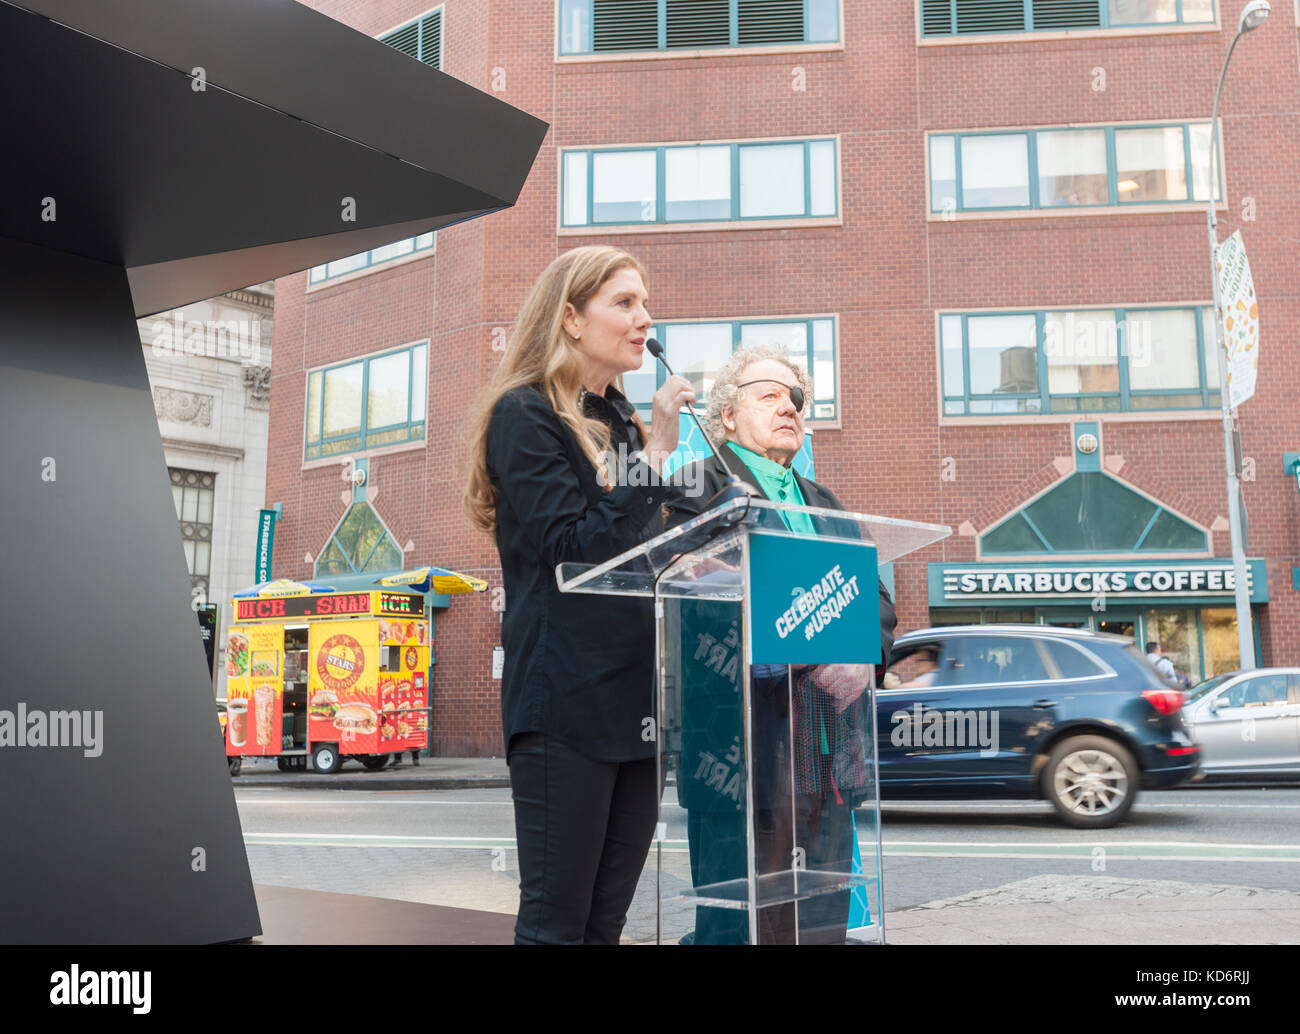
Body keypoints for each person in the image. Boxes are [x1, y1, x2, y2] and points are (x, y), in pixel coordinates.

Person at [463, 245, 694, 945]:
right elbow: (574, 546)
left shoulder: (620, 421)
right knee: (557, 925)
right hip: (563, 703)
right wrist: (655, 457)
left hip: (634, 706)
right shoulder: (524, 416)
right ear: (569, 317)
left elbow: (645, 538)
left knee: (604, 925)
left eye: (645, 304)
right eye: (624, 303)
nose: (643, 320)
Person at [664, 345, 898, 944]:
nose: (788, 407)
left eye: (795, 398)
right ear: (726, 418)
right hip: (741, 756)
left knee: (821, 928)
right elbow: (694, 593)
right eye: (768, 395)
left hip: (829, 755)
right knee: (740, 930)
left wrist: (863, 654)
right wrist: (807, 649)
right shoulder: (699, 490)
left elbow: (875, 596)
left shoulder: (825, 503)